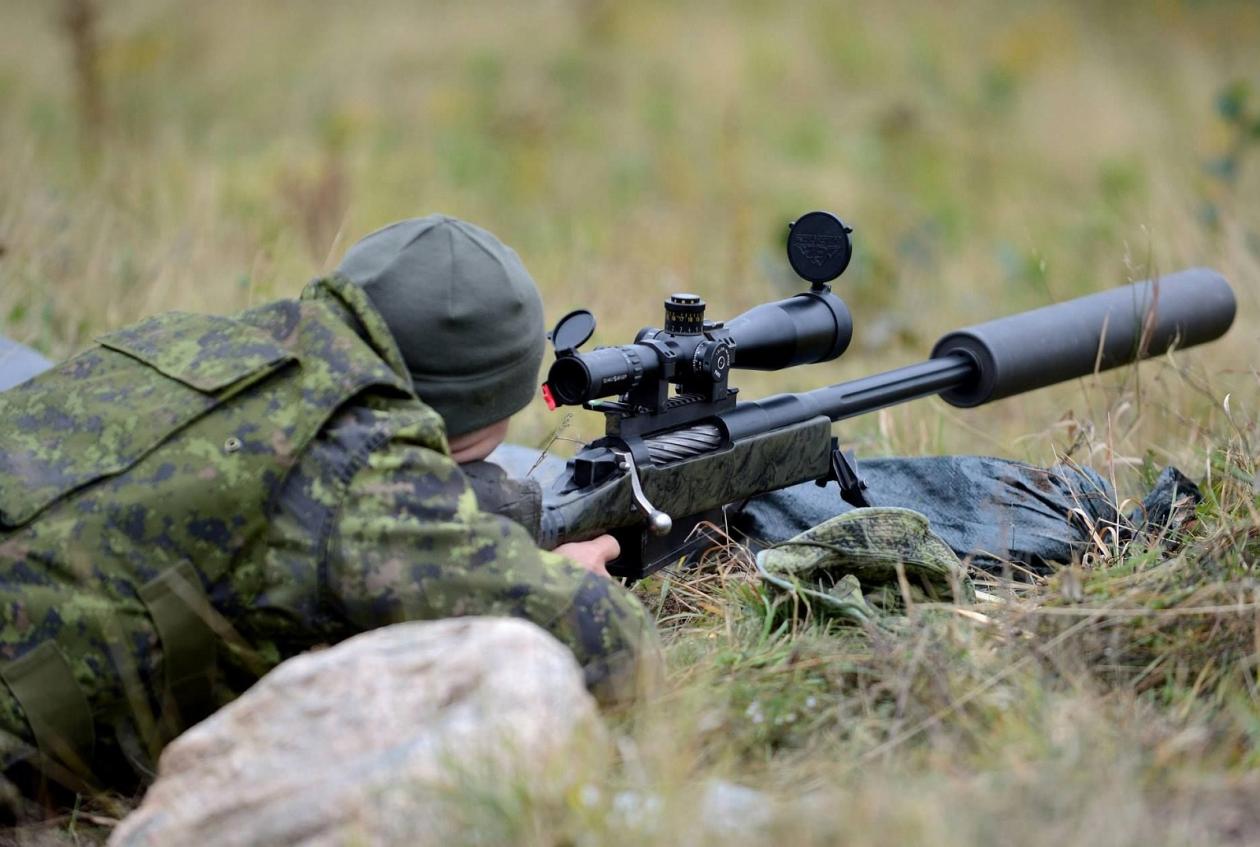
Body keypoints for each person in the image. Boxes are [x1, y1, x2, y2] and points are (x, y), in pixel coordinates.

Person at [0, 215, 655, 816]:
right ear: (496, 396)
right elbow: (617, 650)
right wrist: (579, 574)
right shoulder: (367, 480)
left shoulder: (182, 338)